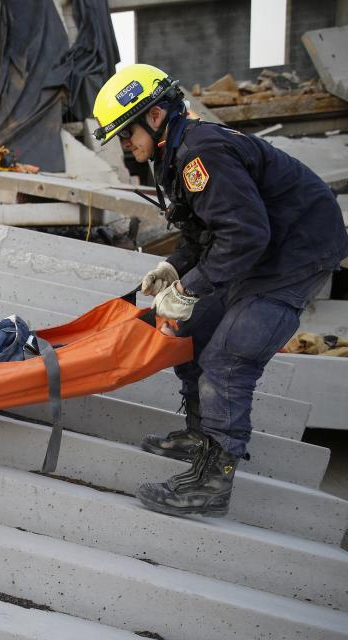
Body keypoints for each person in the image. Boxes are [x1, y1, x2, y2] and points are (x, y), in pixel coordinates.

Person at [92, 64, 348, 517]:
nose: (125, 147)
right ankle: (198, 434)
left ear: (153, 117)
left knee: (229, 357)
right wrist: (173, 268)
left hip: (295, 252)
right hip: (265, 244)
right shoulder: (176, 154)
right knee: (190, 332)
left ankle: (212, 483)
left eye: (125, 134)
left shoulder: (201, 154)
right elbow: (208, 230)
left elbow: (245, 235)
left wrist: (191, 287)